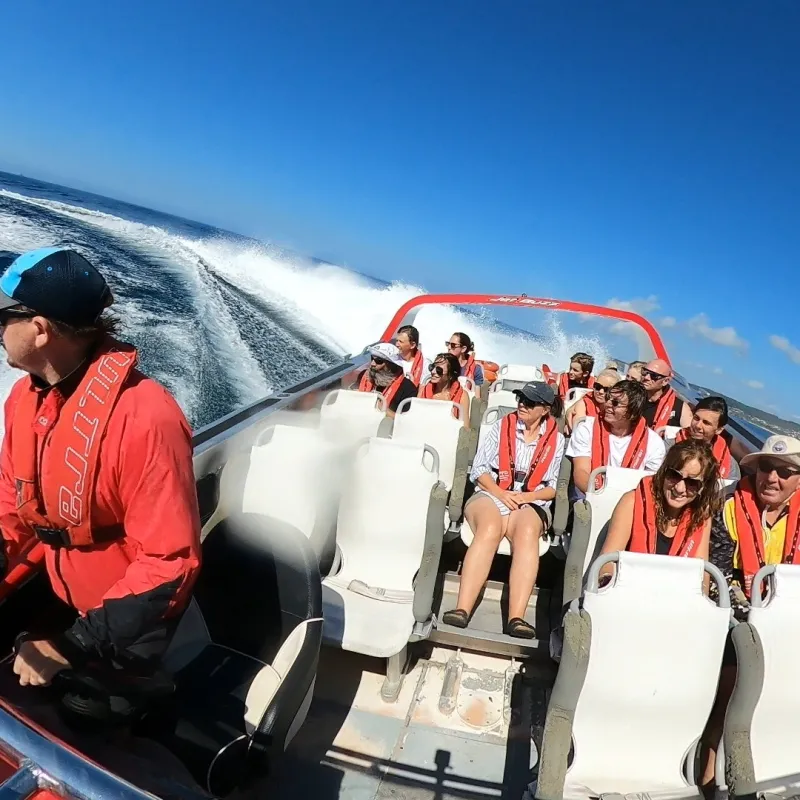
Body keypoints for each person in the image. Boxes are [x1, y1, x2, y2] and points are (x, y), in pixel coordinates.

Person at [0, 248, 206, 795]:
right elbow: (10, 501)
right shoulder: (25, 398)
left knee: (81, 730)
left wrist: (69, 646)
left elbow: (170, 563)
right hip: (58, 584)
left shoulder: (148, 418)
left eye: (4, 318)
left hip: (119, 627)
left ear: (39, 329)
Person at [701, 435, 800, 795]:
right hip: (737, 620)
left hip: (791, 624)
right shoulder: (726, 504)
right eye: (766, 469)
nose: (772, 478)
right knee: (729, 684)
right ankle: (709, 778)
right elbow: (717, 574)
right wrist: (752, 615)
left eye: (785, 472)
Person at [441, 382, 565, 638]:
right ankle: (462, 609)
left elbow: (552, 487)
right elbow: (479, 471)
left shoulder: (558, 439)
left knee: (528, 532)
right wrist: (502, 494)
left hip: (530, 498)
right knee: (489, 527)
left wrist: (524, 497)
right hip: (492, 491)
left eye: (529, 402)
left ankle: (516, 618)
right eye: (521, 399)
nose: (522, 404)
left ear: (544, 409)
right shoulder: (501, 426)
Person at [600, 439, 721, 575]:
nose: (680, 488)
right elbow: (606, 565)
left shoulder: (701, 516)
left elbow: (701, 576)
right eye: (674, 475)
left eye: (692, 483)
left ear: (703, 488)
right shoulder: (631, 502)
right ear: (664, 472)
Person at [567, 379, 666, 497]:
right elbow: (581, 472)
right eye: (608, 398)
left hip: (630, 500)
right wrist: (601, 496)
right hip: (589, 494)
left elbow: (651, 483)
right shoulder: (586, 428)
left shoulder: (654, 443)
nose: (608, 404)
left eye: (615, 403)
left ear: (632, 412)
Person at [667, 396, 740, 480]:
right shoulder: (669, 445)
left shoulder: (729, 466)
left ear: (719, 430)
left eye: (706, 423)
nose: (698, 425)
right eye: (696, 418)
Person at [356, 342, 418, 417]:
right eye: (372, 358)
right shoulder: (363, 375)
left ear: (392, 365)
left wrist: (384, 410)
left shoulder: (408, 389)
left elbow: (406, 422)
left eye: (378, 361)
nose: (372, 363)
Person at [418, 352, 470, 426]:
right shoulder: (422, 390)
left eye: (439, 370)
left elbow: (465, 427)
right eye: (432, 367)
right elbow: (416, 417)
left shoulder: (463, 396)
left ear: (451, 375)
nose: (433, 372)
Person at [640, 358, 692, 430]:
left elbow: (689, 437)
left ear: (665, 381)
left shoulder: (680, 408)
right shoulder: (632, 396)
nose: (646, 377)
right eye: (645, 372)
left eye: (654, 375)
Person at [564, 368, 620, 434]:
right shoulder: (584, 404)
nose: (601, 392)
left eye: (607, 389)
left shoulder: (620, 408)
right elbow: (579, 432)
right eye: (598, 387)